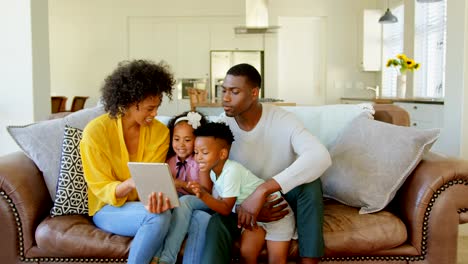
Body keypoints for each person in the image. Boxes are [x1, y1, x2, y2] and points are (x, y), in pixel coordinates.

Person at [80, 59, 209, 264]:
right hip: (108, 208)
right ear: (131, 101)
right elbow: (100, 187)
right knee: (158, 217)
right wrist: (130, 183)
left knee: (194, 218)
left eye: (157, 107)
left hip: (145, 203)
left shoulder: (158, 132)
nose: (155, 114)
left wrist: (157, 197)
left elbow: (153, 180)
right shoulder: (95, 133)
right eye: (150, 108)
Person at [202, 63, 332, 264]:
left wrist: (262, 191)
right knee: (215, 224)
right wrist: (244, 208)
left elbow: (320, 156)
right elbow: (215, 180)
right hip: (239, 201)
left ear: (254, 93)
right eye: (224, 91)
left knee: (311, 185)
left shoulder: (282, 119)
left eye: (234, 92)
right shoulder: (220, 128)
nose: (225, 98)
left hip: (280, 196)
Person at [189, 122, 295, 264]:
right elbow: (223, 198)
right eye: (196, 152)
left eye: (204, 152)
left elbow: (226, 209)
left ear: (222, 154)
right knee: (246, 253)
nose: (198, 157)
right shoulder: (214, 173)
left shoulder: (232, 171)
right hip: (253, 218)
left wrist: (203, 195)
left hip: (277, 213)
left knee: (276, 260)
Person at [154, 111, 212, 264]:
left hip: (200, 200)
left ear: (197, 140)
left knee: (185, 199)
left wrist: (183, 184)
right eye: (177, 139)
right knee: (167, 208)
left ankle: (167, 259)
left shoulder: (200, 162)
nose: (181, 144)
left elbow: (206, 193)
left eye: (187, 140)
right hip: (179, 204)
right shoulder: (169, 161)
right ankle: (156, 256)